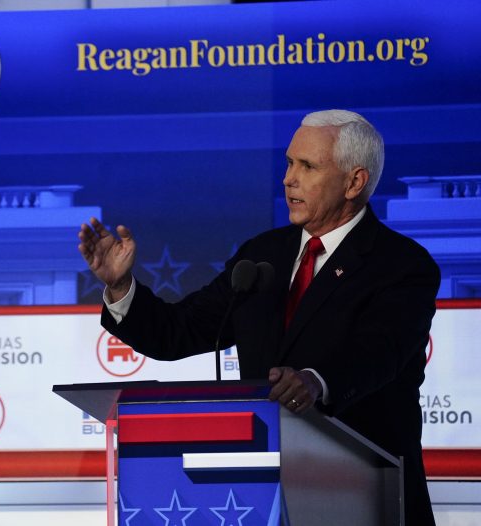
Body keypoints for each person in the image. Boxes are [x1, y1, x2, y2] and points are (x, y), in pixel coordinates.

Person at [79, 109, 439, 526]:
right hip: (260, 499)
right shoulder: (263, 254)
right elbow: (179, 332)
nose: (288, 179)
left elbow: (379, 353)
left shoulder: (401, 265)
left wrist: (315, 381)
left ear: (354, 182)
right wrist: (121, 287)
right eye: (289, 163)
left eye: (307, 166)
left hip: (369, 497)